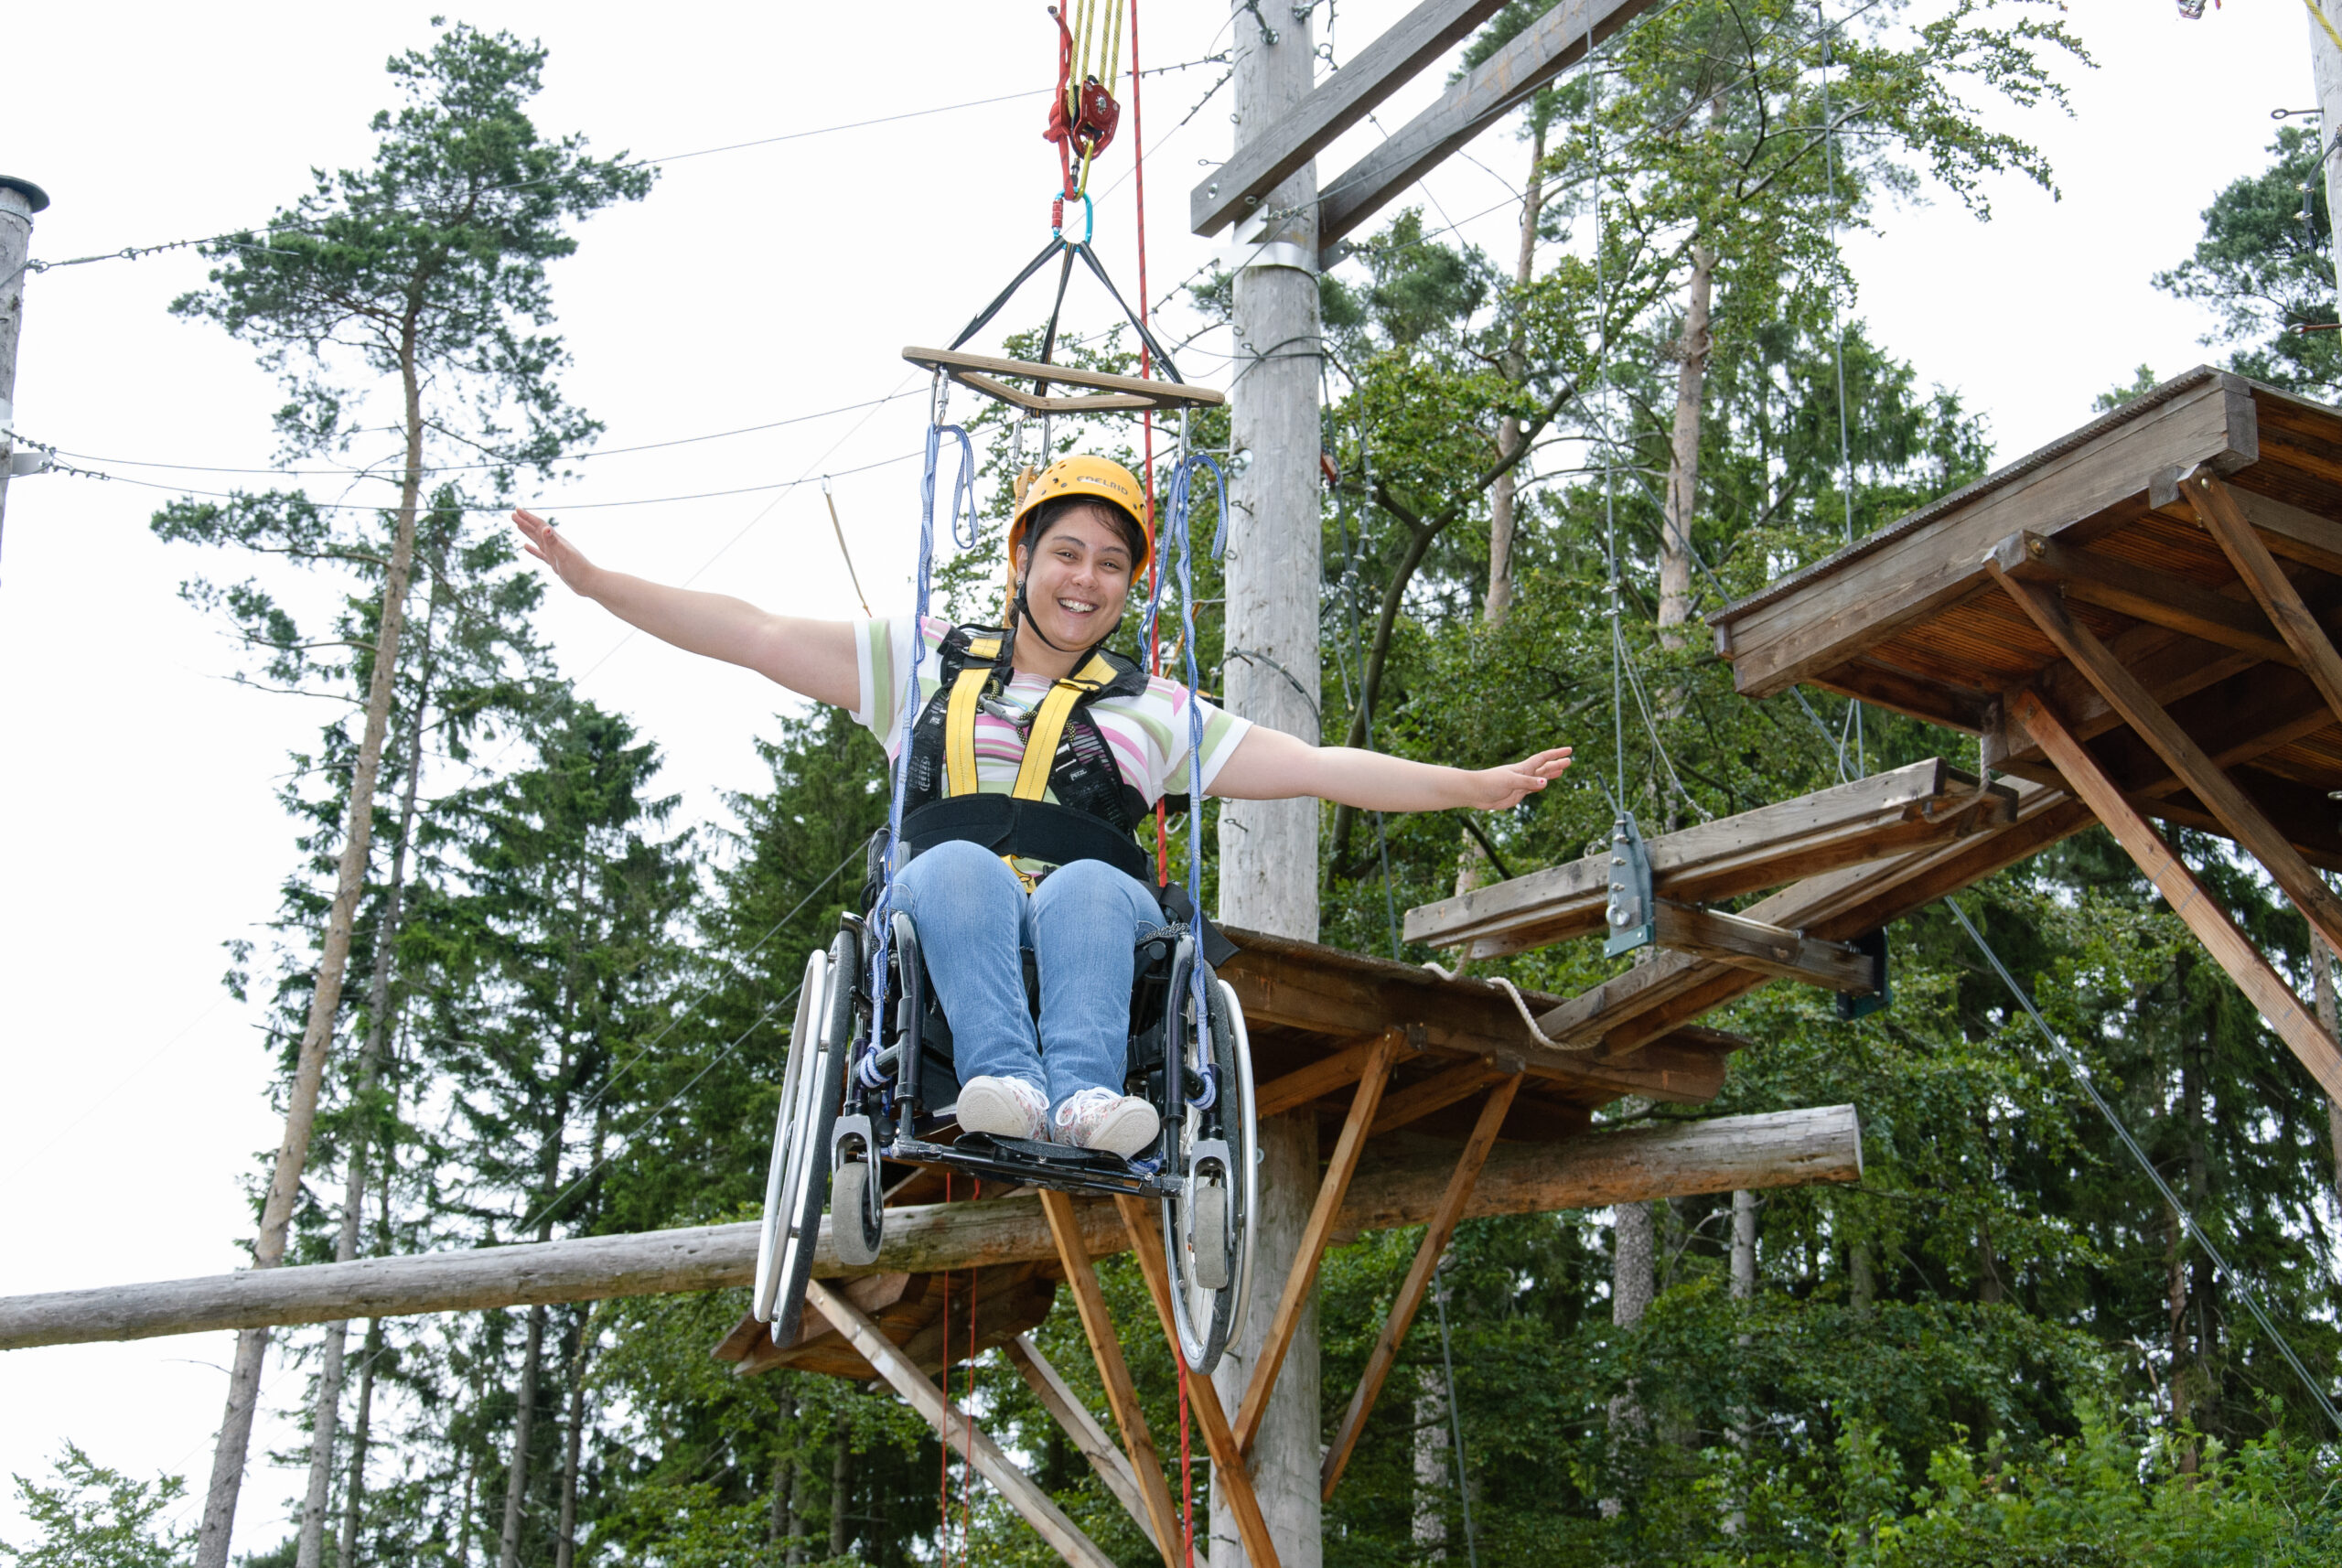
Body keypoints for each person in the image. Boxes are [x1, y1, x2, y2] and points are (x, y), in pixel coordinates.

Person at [511, 455, 1570, 1159]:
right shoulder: (921, 661)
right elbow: (751, 631)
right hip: (947, 899)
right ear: (1022, 558)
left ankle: (1084, 1093)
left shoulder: (1154, 710)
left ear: (1128, 588)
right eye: (1065, 553)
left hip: (1092, 918)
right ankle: (1006, 1081)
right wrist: (598, 583)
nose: (1085, 579)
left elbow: (1318, 765)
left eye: (1110, 564)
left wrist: (1470, 786)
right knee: (959, 866)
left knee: (1094, 889)